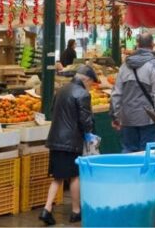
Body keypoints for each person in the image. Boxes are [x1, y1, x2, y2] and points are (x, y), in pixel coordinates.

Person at [40, 65, 96, 226]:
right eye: (91, 83)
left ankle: (47, 209)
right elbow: (85, 120)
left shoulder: (62, 89)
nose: (91, 86)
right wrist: (89, 133)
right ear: (86, 80)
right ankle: (76, 211)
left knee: (58, 176)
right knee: (75, 175)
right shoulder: (83, 94)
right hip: (71, 141)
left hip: (55, 139)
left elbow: (52, 110)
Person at [110, 32, 155, 152]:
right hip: (149, 119)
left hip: (127, 118)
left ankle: (130, 171)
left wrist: (115, 116)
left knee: (129, 152)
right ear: (152, 44)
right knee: (147, 153)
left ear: (137, 45)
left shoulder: (124, 66)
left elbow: (116, 93)